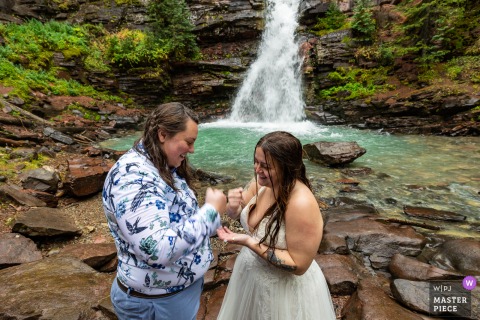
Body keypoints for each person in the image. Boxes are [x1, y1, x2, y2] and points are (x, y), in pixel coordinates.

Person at [102, 102, 226, 320]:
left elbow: (177, 219)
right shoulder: (133, 178)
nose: (192, 150)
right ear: (162, 135)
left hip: (170, 296)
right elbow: (157, 249)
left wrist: (219, 215)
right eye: (189, 142)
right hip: (155, 303)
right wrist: (210, 212)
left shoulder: (161, 164)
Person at [216, 131, 336, 320]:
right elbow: (242, 214)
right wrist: (232, 208)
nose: (257, 169)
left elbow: (299, 265)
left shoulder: (301, 203)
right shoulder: (262, 183)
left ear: (287, 167)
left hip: (282, 292)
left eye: (265, 166)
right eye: (256, 162)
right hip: (249, 277)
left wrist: (249, 242)